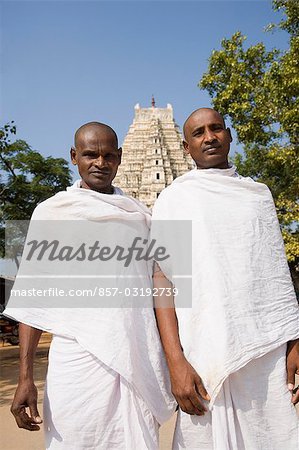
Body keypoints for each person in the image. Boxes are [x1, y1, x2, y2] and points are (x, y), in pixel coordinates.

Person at [4, 122, 175, 449]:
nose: (100, 162)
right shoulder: (52, 214)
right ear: (74, 157)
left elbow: (160, 292)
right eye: (90, 154)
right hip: (77, 366)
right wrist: (25, 377)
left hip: (135, 362)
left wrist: (176, 361)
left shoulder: (141, 217)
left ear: (120, 158)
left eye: (108, 155)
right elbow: (33, 300)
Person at [152, 108, 299, 449]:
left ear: (229, 135)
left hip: (266, 349)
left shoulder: (258, 195)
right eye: (199, 132)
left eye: (216, 128)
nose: (209, 137)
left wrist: (294, 340)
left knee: (274, 436)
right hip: (204, 351)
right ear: (186, 148)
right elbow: (163, 283)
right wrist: (176, 362)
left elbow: (276, 275)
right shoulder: (175, 198)